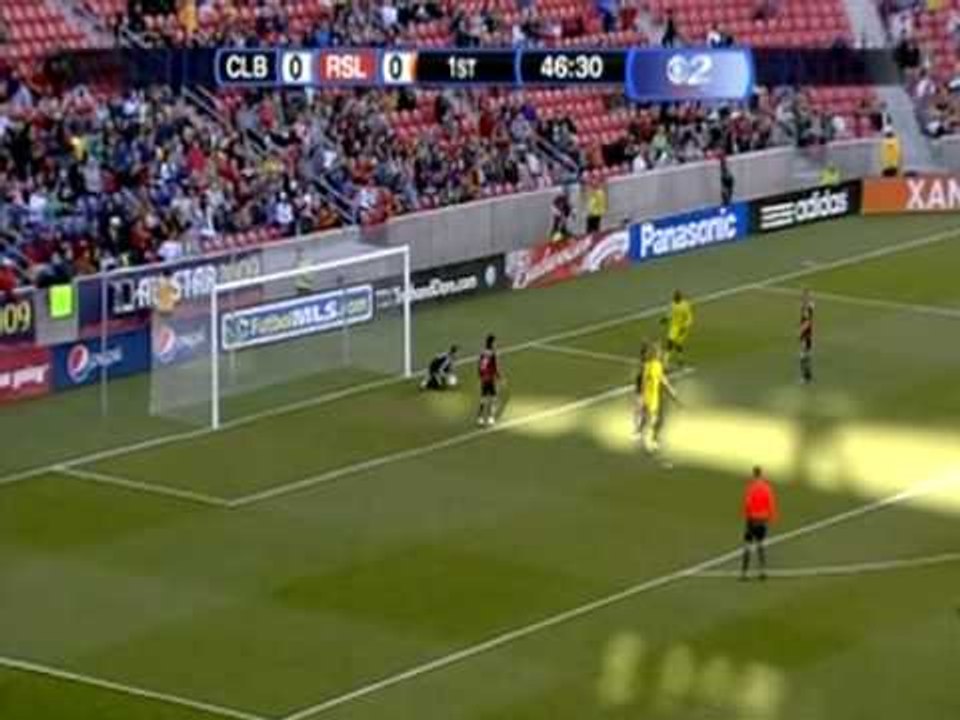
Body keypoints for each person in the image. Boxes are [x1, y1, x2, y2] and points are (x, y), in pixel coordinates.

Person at [639, 343, 679, 452]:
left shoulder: (655, 365)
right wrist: (642, 397)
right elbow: (645, 382)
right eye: (658, 352)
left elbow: (661, 379)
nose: (659, 354)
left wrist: (671, 391)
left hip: (653, 397)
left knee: (654, 420)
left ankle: (649, 439)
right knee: (652, 419)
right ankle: (649, 442)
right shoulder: (651, 366)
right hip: (650, 397)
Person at [741, 465, 778, 580]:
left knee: (747, 545)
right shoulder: (767, 488)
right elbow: (771, 503)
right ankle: (762, 571)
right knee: (760, 545)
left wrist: (746, 516)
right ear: (761, 475)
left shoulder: (751, 488)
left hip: (752, 519)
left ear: (754, 475)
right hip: (762, 519)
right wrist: (771, 517)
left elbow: (747, 503)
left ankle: (744, 573)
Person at [663, 290, 694, 368]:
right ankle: (665, 361)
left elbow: (689, 317)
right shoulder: (672, 304)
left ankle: (680, 359)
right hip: (673, 327)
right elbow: (670, 313)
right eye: (675, 296)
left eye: (677, 296)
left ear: (680, 297)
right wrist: (665, 319)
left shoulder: (685, 305)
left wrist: (685, 326)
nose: (675, 298)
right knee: (669, 342)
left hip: (682, 328)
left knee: (678, 344)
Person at [476, 334, 501, 426]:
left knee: (483, 398)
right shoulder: (493, 353)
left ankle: (479, 418)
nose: (496, 344)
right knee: (494, 398)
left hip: (483, 378)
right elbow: (495, 367)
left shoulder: (482, 352)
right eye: (495, 342)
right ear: (492, 343)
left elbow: (479, 365)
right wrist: (499, 377)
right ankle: (490, 418)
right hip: (490, 378)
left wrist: (480, 376)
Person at [799, 288, 814, 384]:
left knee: (804, 357)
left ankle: (806, 378)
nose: (803, 297)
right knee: (804, 357)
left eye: (805, 295)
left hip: (806, 335)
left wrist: (802, 330)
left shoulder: (808, 308)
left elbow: (808, 322)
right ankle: (807, 377)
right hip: (805, 335)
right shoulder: (806, 307)